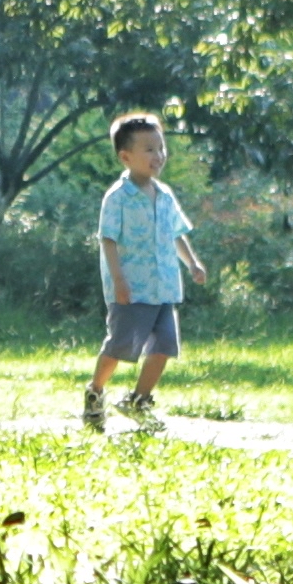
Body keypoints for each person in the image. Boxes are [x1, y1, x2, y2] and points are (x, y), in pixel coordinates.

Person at [88, 111, 204, 432]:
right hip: (132, 289)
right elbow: (108, 241)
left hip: (164, 287)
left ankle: (139, 399)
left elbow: (176, 233)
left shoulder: (165, 195)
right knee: (120, 346)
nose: (158, 155)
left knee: (164, 346)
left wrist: (192, 263)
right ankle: (95, 393)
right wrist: (118, 280)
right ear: (126, 156)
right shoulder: (117, 198)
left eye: (161, 148)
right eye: (149, 149)